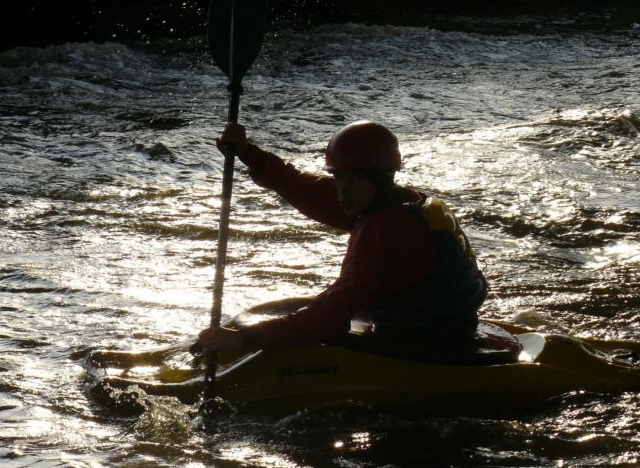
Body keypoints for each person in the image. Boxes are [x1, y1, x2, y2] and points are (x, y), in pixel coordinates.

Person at [197, 120, 487, 354]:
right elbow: (305, 188)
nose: (342, 190)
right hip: (453, 326)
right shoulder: (401, 201)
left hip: (426, 346)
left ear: (382, 178)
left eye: (354, 179)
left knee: (308, 329)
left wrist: (246, 338)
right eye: (339, 178)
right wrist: (248, 153)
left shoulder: (382, 230)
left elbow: (334, 313)